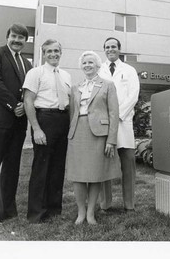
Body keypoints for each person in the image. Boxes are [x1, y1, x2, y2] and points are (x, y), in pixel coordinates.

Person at [0, 23, 32, 235]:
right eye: (14, 36)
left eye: (21, 38)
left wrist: (24, 107)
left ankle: (8, 212)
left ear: (25, 41)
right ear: (7, 36)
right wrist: (14, 105)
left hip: (18, 124)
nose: (17, 40)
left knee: (11, 168)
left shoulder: (27, 64)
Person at [66, 51, 120, 225]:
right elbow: (72, 113)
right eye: (84, 63)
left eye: (91, 62)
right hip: (78, 133)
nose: (87, 65)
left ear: (98, 66)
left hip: (98, 134)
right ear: (81, 66)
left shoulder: (108, 85)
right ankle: (81, 212)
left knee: (96, 174)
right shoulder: (75, 87)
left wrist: (111, 140)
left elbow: (114, 113)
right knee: (78, 174)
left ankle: (91, 213)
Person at [23, 39, 71, 223]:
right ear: (44, 54)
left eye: (56, 51)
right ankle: (36, 213)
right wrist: (36, 129)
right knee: (41, 168)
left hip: (62, 120)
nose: (53, 54)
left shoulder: (66, 75)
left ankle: (54, 210)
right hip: (44, 119)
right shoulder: (35, 73)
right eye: (49, 51)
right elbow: (28, 101)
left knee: (58, 167)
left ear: (61, 52)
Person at [98, 37, 140, 212]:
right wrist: (107, 117)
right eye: (107, 47)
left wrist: (118, 115)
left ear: (119, 49)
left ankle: (129, 204)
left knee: (128, 162)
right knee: (104, 164)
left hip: (123, 122)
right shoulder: (99, 70)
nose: (110, 49)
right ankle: (105, 203)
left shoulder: (129, 70)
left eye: (113, 46)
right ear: (104, 50)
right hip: (104, 123)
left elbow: (133, 95)